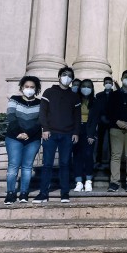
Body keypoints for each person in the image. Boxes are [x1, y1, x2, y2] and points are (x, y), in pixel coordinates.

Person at [32, 67, 81, 204]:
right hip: (50, 134)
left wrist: (76, 132)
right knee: (47, 164)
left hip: (68, 135)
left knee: (65, 164)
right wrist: (45, 128)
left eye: (70, 76)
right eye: (64, 75)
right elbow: (43, 112)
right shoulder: (49, 92)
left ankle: (64, 193)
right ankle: (43, 194)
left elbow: (77, 117)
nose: (67, 77)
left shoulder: (74, 96)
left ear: (72, 80)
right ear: (59, 76)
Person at [4, 76, 42, 205]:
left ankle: (24, 193)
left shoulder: (40, 103)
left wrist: (28, 134)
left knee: (27, 167)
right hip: (13, 138)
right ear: (21, 88)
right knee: (13, 166)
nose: (29, 89)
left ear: (36, 89)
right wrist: (19, 133)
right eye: (27, 87)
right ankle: (10, 193)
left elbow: (40, 121)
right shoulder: (14, 99)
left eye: (32, 87)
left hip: (33, 139)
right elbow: (11, 116)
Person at [73, 79, 96, 192]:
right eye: (84, 86)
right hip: (76, 129)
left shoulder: (95, 101)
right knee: (77, 156)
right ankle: (78, 182)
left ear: (92, 89)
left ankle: (88, 180)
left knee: (88, 155)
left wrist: (92, 134)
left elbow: (95, 119)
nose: (86, 88)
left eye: (88, 86)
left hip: (89, 130)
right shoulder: (75, 100)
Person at [87, 77, 115, 170]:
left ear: (112, 84)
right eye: (106, 82)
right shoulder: (99, 95)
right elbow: (98, 108)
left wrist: (111, 119)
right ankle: (98, 160)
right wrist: (102, 117)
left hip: (113, 122)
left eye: (109, 82)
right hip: (101, 121)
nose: (108, 84)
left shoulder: (115, 95)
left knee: (112, 143)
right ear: (103, 84)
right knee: (100, 142)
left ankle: (112, 161)